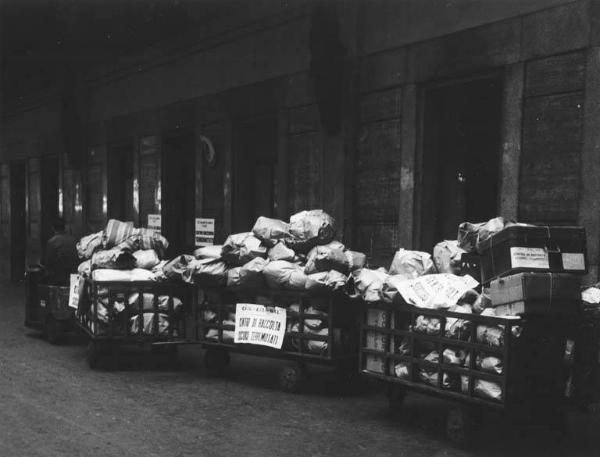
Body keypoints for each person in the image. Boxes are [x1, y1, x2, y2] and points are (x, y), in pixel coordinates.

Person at [43, 217, 79, 285]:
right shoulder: (73, 240)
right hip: (74, 275)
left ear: (53, 228)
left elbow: (48, 261)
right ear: (64, 227)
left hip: (57, 277)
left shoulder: (52, 242)